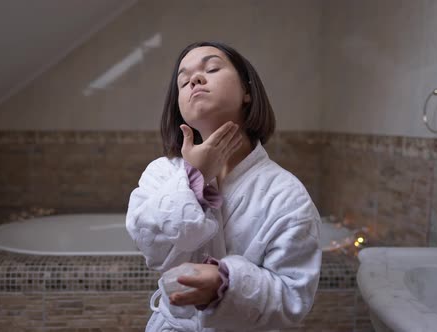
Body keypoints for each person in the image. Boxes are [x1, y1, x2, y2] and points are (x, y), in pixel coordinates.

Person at [126, 41, 321, 332]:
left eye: (212, 68)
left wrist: (226, 284)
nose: (194, 79)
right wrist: (196, 176)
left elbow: (292, 299)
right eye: (183, 80)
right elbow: (152, 248)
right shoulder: (161, 174)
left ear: (247, 91)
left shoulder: (287, 194)